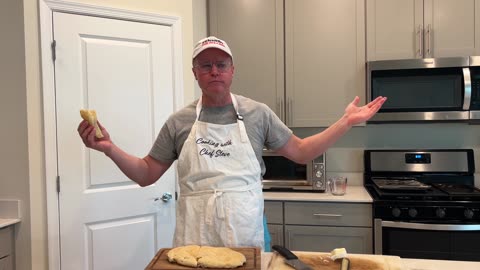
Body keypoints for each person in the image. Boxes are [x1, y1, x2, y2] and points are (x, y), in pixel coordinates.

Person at [78, 36, 387, 251]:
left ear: (232, 70)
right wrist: (110, 148)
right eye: (206, 65)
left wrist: (345, 122)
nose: (214, 71)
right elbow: (146, 174)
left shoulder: (257, 114)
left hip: (245, 232)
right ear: (195, 73)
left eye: (221, 64)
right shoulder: (179, 121)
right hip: (194, 237)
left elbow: (303, 152)